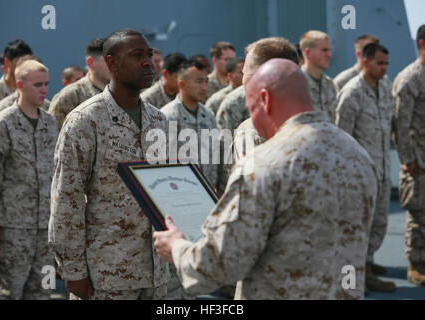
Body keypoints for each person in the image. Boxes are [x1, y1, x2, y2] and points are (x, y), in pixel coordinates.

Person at [153, 58, 378, 300]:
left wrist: (177, 247)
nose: (255, 125)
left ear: (265, 100)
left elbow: (220, 264)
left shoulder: (262, 164)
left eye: (251, 110)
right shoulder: (358, 154)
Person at [48, 28, 170, 300]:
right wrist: (73, 270)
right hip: (107, 272)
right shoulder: (85, 120)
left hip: (155, 273)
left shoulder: (158, 120)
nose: (148, 62)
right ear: (112, 63)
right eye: (137, 55)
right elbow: (67, 198)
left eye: (149, 55)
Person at [0, 60, 58, 300]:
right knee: (11, 290)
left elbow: (57, 172)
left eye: (46, 84)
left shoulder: (51, 123)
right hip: (13, 226)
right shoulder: (3, 123)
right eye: (37, 85)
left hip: (46, 226)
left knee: (43, 289)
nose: (44, 90)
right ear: (20, 85)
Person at [336, 43, 396, 293]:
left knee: (378, 222)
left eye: (386, 64)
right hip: (359, 174)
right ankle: (356, 276)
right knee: (358, 226)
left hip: (381, 170)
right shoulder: (352, 93)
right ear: (365, 62)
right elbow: (342, 136)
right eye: (379, 63)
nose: (383, 68)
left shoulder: (385, 88)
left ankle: (367, 263)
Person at [160, 59, 218, 299]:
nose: (204, 86)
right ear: (181, 84)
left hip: (204, 206)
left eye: (206, 81)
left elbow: (219, 156)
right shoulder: (166, 117)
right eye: (198, 81)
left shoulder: (208, 116)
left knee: (195, 269)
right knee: (173, 275)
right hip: (176, 207)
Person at [392, 24, 425, 286]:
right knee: (417, 214)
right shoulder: (410, 79)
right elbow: (400, 125)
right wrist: (407, 159)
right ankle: (415, 265)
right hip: (419, 162)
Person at [216, 37, 298, 133]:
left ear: (260, 74)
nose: (243, 79)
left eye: (245, 72)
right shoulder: (315, 124)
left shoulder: (246, 132)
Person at [49, 37, 111, 129]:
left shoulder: (124, 93)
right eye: (107, 60)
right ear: (91, 62)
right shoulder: (70, 96)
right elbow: (53, 136)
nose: (114, 64)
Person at [0, 39, 33, 116]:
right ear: (7, 62)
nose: (24, 66)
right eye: (20, 60)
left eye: (28, 61)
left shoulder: (33, 92)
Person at [300, 30, 338, 121]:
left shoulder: (330, 85)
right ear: (307, 52)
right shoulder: (296, 84)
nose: (329, 55)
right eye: (324, 50)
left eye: (329, 50)